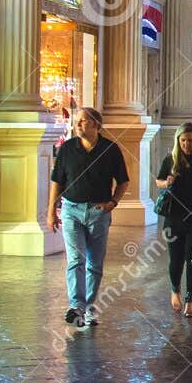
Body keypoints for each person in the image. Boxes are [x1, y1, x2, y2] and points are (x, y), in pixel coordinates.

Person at [47, 106, 129, 328]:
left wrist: (113, 202)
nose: (78, 124)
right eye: (77, 121)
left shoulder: (110, 149)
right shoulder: (67, 149)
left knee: (94, 263)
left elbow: (123, 181)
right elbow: (57, 181)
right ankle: (76, 306)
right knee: (76, 260)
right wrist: (51, 211)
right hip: (71, 209)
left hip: (98, 213)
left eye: (83, 121)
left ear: (96, 125)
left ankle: (89, 305)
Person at [155, 122, 192, 318]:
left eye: (190, 140)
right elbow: (158, 181)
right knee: (176, 259)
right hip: (173, 218)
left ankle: (190, 299)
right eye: (183, 140)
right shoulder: (171, 160)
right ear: (178, 141)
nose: (186, 144)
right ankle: (175, 289)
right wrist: (166, 181)